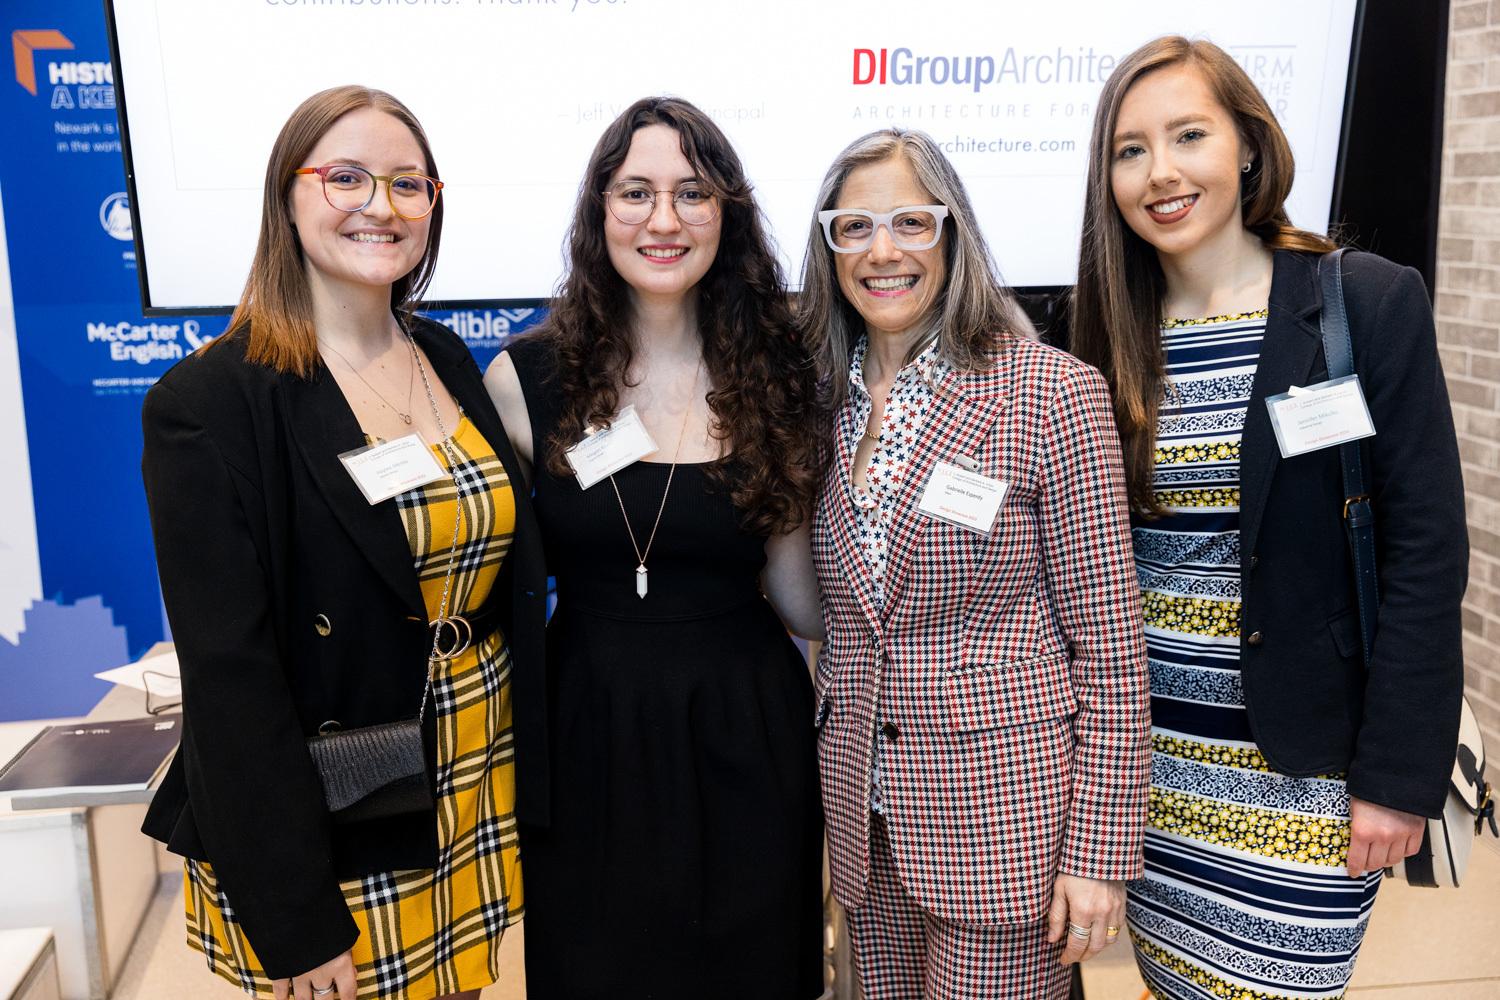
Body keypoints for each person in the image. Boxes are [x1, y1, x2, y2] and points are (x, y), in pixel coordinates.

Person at [1069, 36, 1468, 999]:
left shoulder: (1361, 302)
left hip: (1305, 779)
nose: (1159, 172)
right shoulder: (1106, 331)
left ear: (1246, 146)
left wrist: (1396, 775)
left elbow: (1425, 549)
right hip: (1149, 776)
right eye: (1129, 150)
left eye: (1188, 135)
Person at [139, 85, 545, 1000]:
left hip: (474, 755)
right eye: (347, 178)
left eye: (409, 184)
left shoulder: (442, 354)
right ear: (289, 193)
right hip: (340, 792)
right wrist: (293, 919)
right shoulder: (211, 404)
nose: (381, 206)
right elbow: (229, 683)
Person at [483, 96, 825, 999]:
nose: (664, 220)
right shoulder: (526, 380)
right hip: (588, 727)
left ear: (729, 214)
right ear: (600, 211)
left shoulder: (779, 371)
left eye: (693, 193)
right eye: (636, 192)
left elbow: (797, 599)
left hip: (748, 725)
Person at [798, 126, 1151, 999]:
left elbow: (1109, 648)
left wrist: (1099, 856)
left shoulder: (1050, 392)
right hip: (865, 832)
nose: (884, 250)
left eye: (912, 222)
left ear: (952, 235)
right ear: (829, 245)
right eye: (855, 226)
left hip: (1005, 837)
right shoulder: (814, 404)